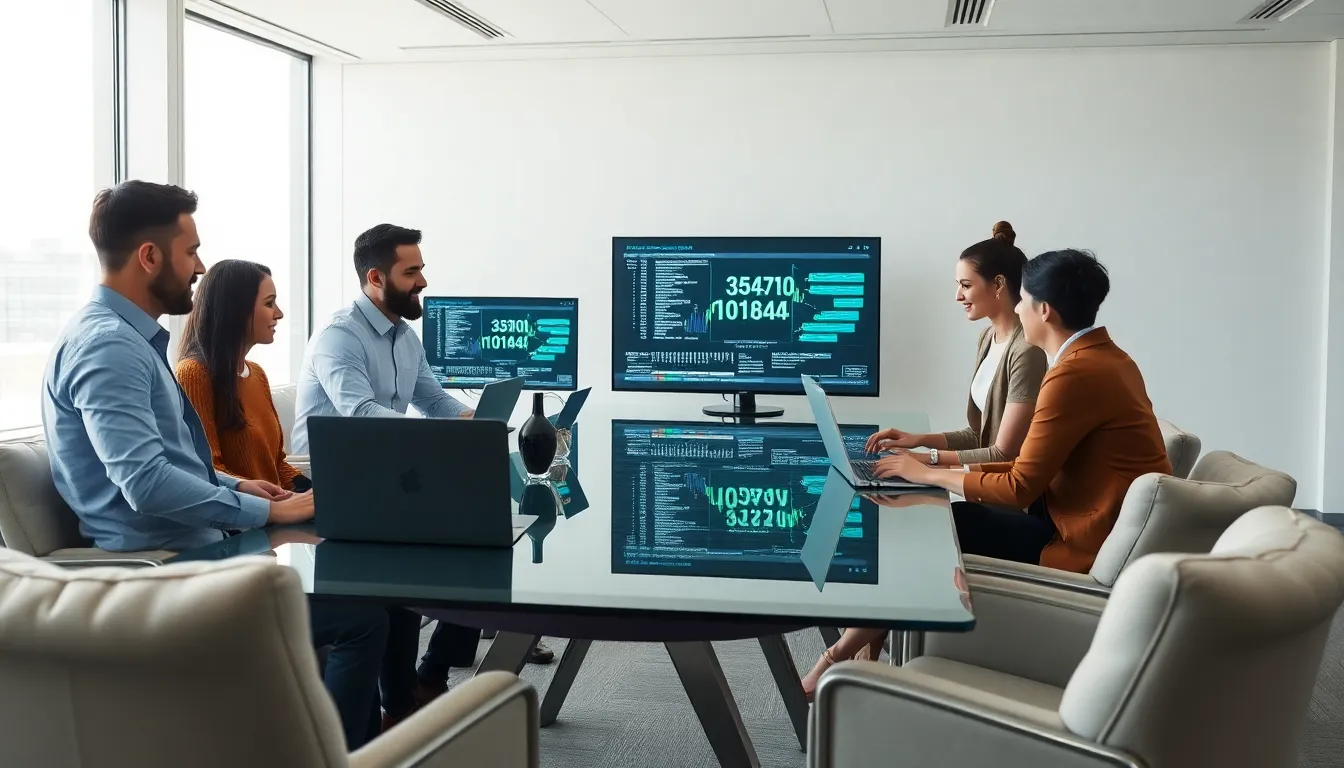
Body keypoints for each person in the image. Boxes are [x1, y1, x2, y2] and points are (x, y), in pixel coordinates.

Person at [42, 180, 386, 749]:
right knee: (363, 617)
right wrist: (261, 512)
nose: (200, 267)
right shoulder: (107, 346)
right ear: (149, 257)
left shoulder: (130, 342)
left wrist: (235, 483)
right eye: (191, 251)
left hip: (201, 546)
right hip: (168, 566)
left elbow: (165, 460)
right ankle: (332, 758)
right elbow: (144, 483)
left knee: (370, 592)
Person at [801, 248, 1171, 697]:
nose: (1017, 308)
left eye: (1024, 300)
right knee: (939, 518)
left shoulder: (1074, 374)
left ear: (1044, 310)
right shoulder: (1106, 359)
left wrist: (929, 473)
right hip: (1068, 517)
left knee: (938, 529)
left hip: (1074, 540)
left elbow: (1017, 486)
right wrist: (925, 464)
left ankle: (835, 661)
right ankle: (855, 664)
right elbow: (1022, 464)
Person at [292, 223, 552, 700]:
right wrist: (446, 437)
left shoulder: (404, 337)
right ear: (376, 278)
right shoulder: (339, 337)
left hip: (388, 476)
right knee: (434, 552)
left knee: (483, 536)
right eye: (411, 272)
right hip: (328, 481)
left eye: (422, 269)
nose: (423, 282)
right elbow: (360, 415)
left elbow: (433, 401)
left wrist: (479, 420)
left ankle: (429, 673)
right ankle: (400, 698)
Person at [865, 221, 1046, 466]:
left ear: (998, 284)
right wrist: (915, 439)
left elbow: (1004, 454)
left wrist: (924, 459)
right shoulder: (987, 338)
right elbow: (978, 436)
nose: (958, 296)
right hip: (983, 487)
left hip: (1008, 499)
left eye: (966, 285)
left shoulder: (1026, 350)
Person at [175, 259, 306, 491]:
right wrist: (282, 503)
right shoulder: (193, 374)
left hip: (278, 511)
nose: (279, 313)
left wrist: (316, 493)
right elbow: (208, 470)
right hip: (243, 519)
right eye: (269, 303)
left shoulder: (257, 374)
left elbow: (276, 465)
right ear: (236, 310)